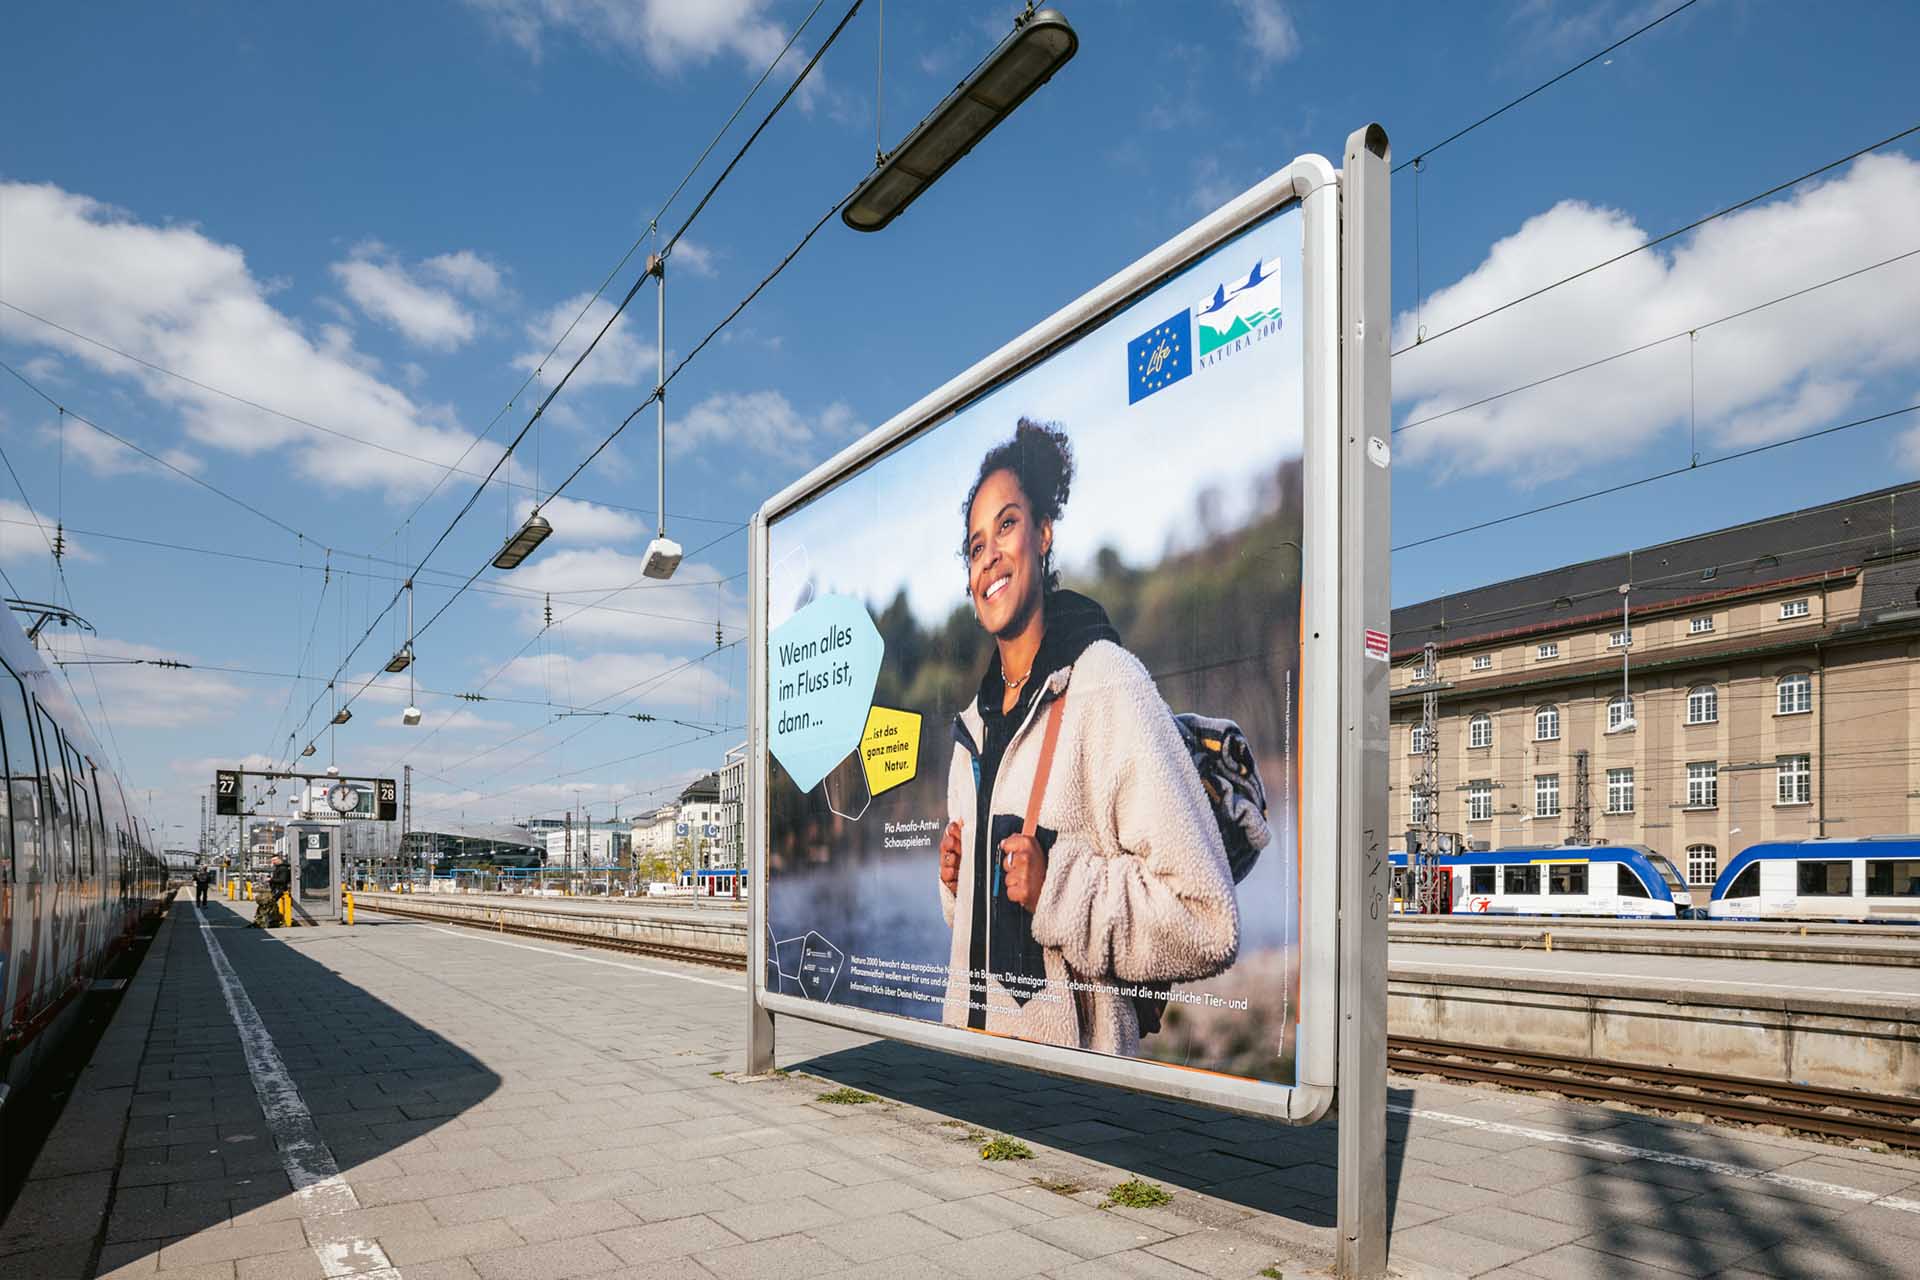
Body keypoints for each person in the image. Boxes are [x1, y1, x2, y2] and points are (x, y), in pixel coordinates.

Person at [936, 419, 1240, 1055]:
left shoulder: (1107, 684)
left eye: (1008, 524)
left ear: (1045, 532)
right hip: (970, 1080)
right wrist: (958, 884)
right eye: (973, 545)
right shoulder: (972, 727)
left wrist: (1058, 886)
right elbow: (992, 929)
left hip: (1071, 1109)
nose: (988, 553)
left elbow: (1206, 920)